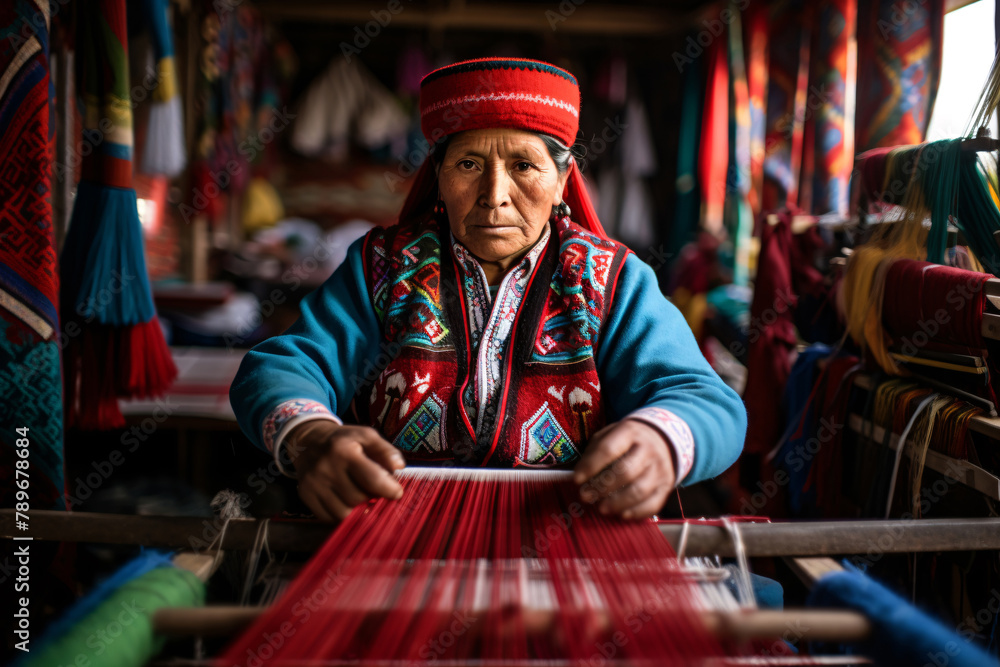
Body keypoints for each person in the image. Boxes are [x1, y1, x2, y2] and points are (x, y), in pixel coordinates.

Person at [230, 57, 745, 521]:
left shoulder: (612, 280)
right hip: (393, 536)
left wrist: (660, 439)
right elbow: (281, 366)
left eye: (524, 165)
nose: (494, 197)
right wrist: (312, 437)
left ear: (563, 179)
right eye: (469, 164)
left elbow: (707, 401)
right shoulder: (381, 268)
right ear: (438, 175)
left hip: (564, 538)